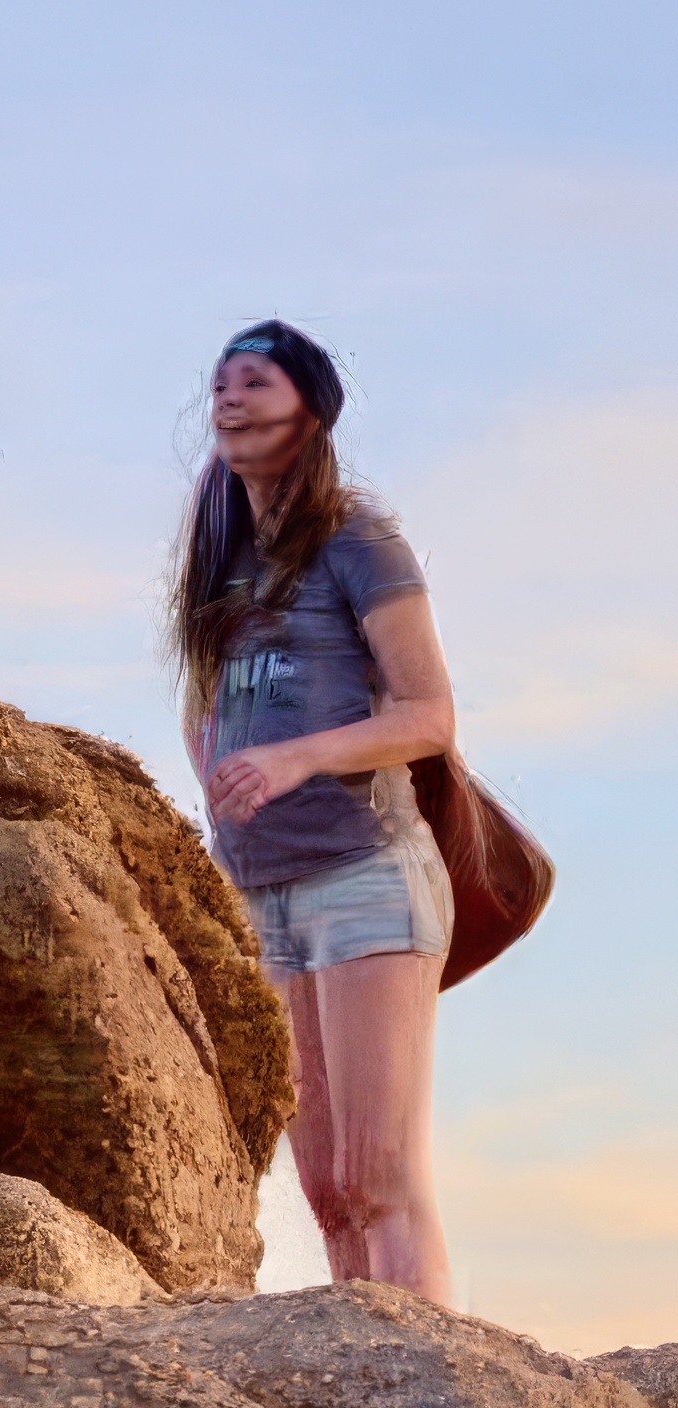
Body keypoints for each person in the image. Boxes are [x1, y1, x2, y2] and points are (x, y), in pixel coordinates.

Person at [169, 320, 456, 1305]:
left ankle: (438, 1399)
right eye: (220, 383)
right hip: (265, 897)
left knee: (379, 1179)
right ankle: (370, 1396)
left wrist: (296, 758)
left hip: (366, 875)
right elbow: (205, 701)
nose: (230, 397)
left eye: (255, 380)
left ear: (310, 409)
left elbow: (428, 713)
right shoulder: (222, 559)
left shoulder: (358, 541)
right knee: (331, 1190)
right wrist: (221, 777)